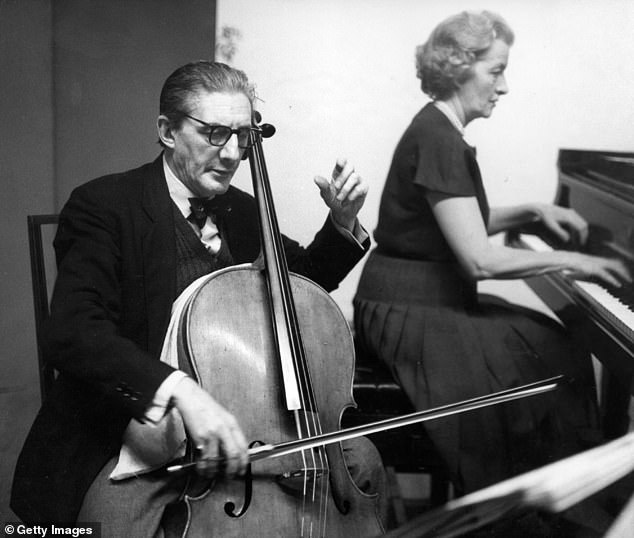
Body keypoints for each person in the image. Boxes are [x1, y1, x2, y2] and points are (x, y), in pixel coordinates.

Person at [12, 61, 387, 534]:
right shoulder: (105, 205)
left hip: (252, 426)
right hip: (135, 426)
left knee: (364, 460)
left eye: (242, 137)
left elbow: (302, 288)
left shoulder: (243, 211)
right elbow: (74, 331)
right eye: (214, 134)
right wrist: (179, 391)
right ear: (167, 131)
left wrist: (342, 224)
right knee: (115, 523)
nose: (232, 154)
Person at [353, 9, 631, 530]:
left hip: (415, 298)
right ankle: (543, 515)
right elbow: (479, 257)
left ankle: (567, 505)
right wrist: (575, 258)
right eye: (495, 70)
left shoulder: (437, 127)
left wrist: (532, 211)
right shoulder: (439, 137)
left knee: (552, 341)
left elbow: (452, 223)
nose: (504, 85)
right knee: (548, 360)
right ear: (459, 67)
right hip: (410, 312)